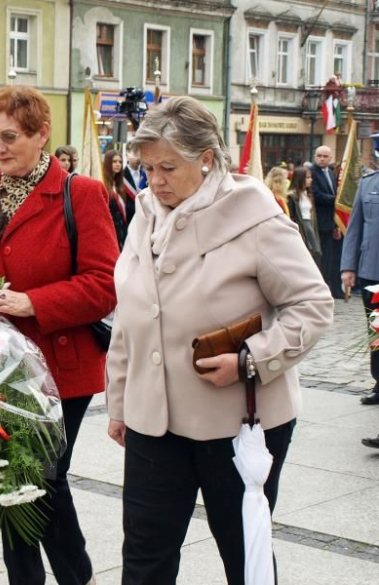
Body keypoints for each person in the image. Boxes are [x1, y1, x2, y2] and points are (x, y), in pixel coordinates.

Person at [105, 96, 334, 584]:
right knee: (144, 555)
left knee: (244, 552)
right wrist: (120, 402)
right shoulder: (144, 212)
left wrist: (250, 359)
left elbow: (314, 305)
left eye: (168, 166)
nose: (155, 180)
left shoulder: (254, 215)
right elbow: (130, 312)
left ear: (206, 158)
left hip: (238, 421)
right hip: (154, 422)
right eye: (147, 167)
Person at [0, 86, 117, 585]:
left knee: (42, 480)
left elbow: (105, 285)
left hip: (60, 370)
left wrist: (32, 302)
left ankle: (74, 577)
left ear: (42, 135)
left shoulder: (80, 194)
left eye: (10, 137)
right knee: (6, 479)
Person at [341, 169, 379, 406]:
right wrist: (348, 267)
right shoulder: (368, 183)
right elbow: (354, 227)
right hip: (373, 270)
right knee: (377, 332)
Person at [311, 145, 344, 298]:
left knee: (330, 257)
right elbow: (317, 195)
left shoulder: (330, 173)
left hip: (330, 221)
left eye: (325, 156)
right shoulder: (312, 172)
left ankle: (332, 286)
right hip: (319, 221)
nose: (322, 158)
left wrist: (336, 224)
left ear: (330, 158)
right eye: (319, 155)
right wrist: (337, 200)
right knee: (322, 257)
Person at [287, 167, 321, 264]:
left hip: (310, 226)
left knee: (314, 254)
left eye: (310, 177)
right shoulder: (292, 196)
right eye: (307, 177)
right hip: (301, 227)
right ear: (300, 178)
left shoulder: (308, 195)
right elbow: (291, 216)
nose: (311, 180)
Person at [102, 149, 135, 248]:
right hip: (110, 234)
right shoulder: (102, 184)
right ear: (108, 163)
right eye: (114, 161)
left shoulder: (121, 185)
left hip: (123, 232)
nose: (118, 164)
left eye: (120, 162)